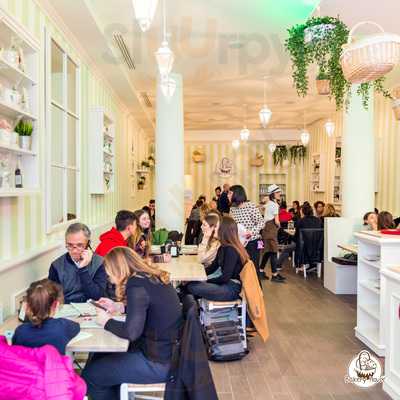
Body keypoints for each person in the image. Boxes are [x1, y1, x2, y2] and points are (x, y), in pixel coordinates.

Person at [81, 247, 182, 400]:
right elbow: (151, 307)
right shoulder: (149, 277)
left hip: (157, 362)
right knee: (98, 357)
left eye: (109, 273)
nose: (109, 278)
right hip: (168, 353)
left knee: (91, 375)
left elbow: (131, 333)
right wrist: (120, 306)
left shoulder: (135, 285)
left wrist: (106, 321)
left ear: (118, 269)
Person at [185, 216, 246, 301]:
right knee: (190, 285)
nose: (214, 229)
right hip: (226, 285)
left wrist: (206, 281)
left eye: (216, 227)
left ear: (223, 230)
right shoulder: (223, 247)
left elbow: (225, 278)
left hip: (231, 288)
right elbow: (212, 267)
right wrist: (197, 277)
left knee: (191, 287)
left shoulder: (230, 250)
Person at [12, 279, 80, 355]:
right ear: (56, 305)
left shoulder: (20, 332)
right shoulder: (63, 326)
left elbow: (16, 356)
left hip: (27, 366)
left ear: (27, 306)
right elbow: (77, 326)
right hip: (54, 366)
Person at [49, 223, 107, 303]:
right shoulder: (56, 266)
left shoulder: (99, 263)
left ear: (88, 244)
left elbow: (98, 296)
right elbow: (53, 299)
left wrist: (83, 269)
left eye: (80, 245)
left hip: (94, 310)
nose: (74, 251)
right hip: (66, 311)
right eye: (70, 245)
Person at [229, 185, 265, 273]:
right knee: (241, 269)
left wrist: (251, 232)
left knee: (253, 269)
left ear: (237, 194)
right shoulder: (232, 209)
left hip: (253, 242)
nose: (228, 195)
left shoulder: (250, 206)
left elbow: (262, 223)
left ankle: (256, 287)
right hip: (240, 243)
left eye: (230, 193)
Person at [259, 184, 286, 283]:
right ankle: (274, 275)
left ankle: (261, 271)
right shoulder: (274, 205)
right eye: (278, 192)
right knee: (274, 251)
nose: (280, 194)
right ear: (273, 194)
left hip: (266, 230)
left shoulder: (269, 203)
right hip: (271, 230)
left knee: (268, 251)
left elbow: (261, 208)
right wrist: (279, 226)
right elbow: (277, 221)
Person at [295, 203, 323, 272]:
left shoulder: (301, 221)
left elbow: (296, 235)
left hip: (304, 248)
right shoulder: (318, 220)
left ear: (303, 212)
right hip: (318, 247)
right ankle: (311, 265)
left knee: (295, 244)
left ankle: (299, 264)